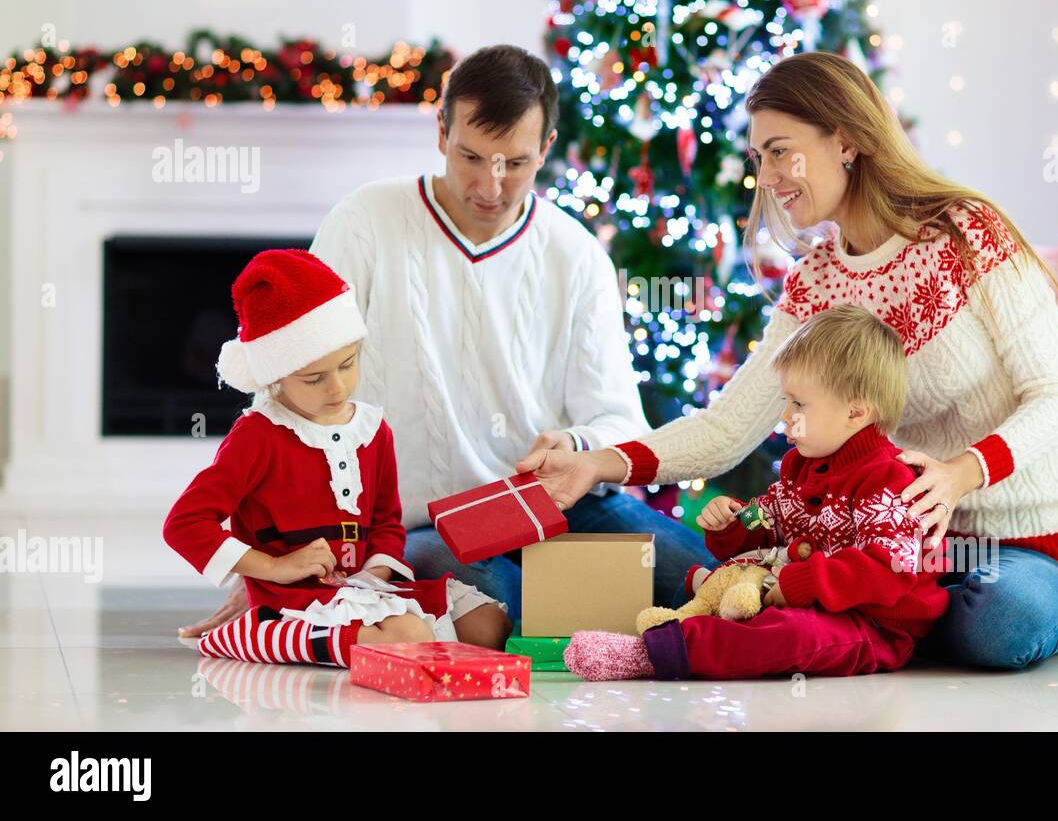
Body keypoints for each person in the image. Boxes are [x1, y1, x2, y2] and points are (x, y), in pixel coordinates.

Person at [520, 51, 1058, 671]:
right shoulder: (816, 282)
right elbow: (729, 425)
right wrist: (599, 463)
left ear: (844, 142)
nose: (766, 176)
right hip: (876, 557)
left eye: (778, 151)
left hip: (1009, 552)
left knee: (1002, 620)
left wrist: (961, 474)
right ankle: (842, 619)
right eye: (758, 157)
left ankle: (837, 622)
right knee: (719, 568)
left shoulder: (966, 234)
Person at [178, 45, 713, 637]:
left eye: (516, 162)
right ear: (440, 132)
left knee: (704, 579)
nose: (491, 184)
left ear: (548, 148)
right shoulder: (365, 221)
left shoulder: (577, 254)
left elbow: (620, 423)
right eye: (472, 157)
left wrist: (573, 441)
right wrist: (265, 569)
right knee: (490, 615)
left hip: (557, 505)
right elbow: (290, 381)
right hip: (417, 522)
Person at [564, 305, 950, 680]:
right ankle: (678, 630)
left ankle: (653, 653)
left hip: (874, 624)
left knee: (791, 635)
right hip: (806, 598)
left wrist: (800, 583)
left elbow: (887, 572)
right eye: (786, 400)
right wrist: (733, 523)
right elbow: (771, 517)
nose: (784, 415)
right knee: (722, 584)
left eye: (798, 403)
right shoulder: (803, 465)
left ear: (855, 413)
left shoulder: (890, 481)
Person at [164, 250, 511, 666]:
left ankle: (365, 640)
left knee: (489, 626)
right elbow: (183, 525)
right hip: (296, 598)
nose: (337, 388)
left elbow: (385, 521)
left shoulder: (372, 430)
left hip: (366, 589)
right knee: (408, 637)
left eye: (348, 365)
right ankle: (257, 632)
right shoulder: (257, 435)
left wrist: (378, 572)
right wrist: (272, 568)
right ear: (276, 377)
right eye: (314, 378)